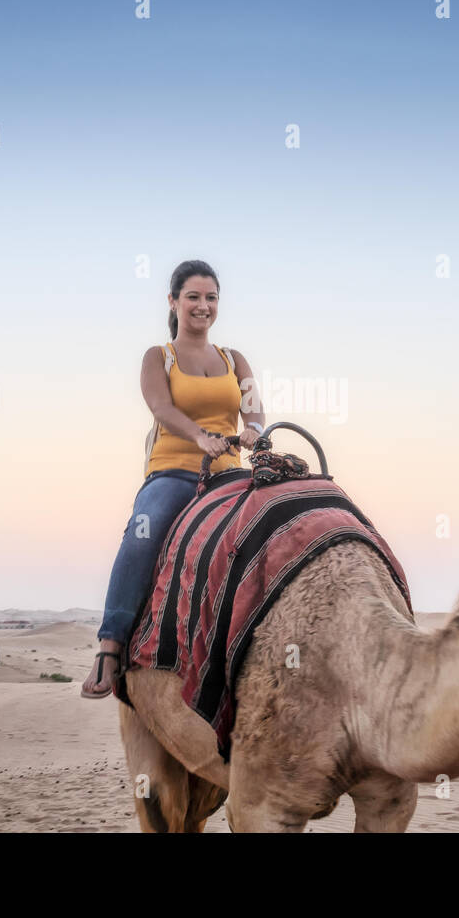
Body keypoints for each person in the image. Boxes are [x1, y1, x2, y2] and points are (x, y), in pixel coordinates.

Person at [81, 259, 266, 698]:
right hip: (175, 470)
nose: (203, 306)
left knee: (274, 526)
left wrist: (254, 430)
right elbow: (161, 409)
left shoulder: (234, 358)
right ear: (174, 302)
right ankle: (110, 646)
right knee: (142, 534)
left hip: (229, 473)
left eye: (211, 298)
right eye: (193, 297)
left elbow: (254, 405)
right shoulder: (157, 357)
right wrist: (200, 437)